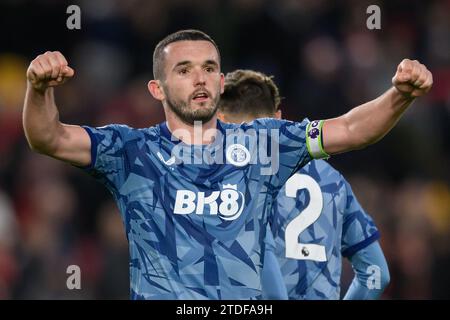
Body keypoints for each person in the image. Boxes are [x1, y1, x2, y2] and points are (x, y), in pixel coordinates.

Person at [23, 29, 432, 299]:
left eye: (209, 69)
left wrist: (399, 95)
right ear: (157, 88)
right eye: (183, 70)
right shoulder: (131, 151)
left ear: (221, 82)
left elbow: (351, 129)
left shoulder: (267, 145)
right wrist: (38, 89)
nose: (199, 79)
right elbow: (49, 137)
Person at [218, 69, 391, 299]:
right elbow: (377, 273)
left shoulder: (230, 179)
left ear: (220, 120)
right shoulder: (331, 179)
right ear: (278, 118)